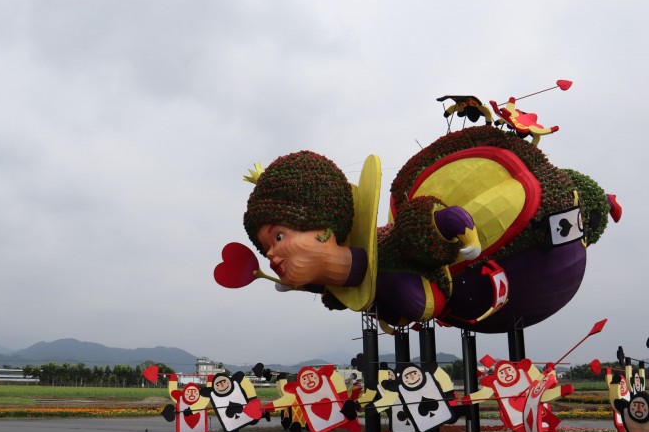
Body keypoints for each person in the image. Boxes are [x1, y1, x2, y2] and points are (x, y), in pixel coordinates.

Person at [241, 124, 619, 334]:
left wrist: (456, 229)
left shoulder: (408, 231)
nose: (271, 254)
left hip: (526, 252)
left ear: (323, 231)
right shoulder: (346, 283)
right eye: (266, 245)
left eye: (278, 237)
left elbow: (438, 224)